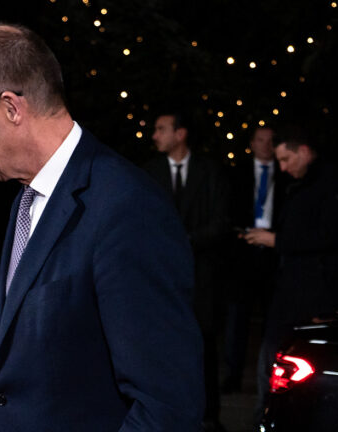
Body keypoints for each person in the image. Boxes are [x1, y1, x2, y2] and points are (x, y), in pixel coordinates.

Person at [0, 24, 204, 431]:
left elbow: (167, 408)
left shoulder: (129, 210)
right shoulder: (27, 198)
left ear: (11, 108)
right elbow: (37, 356)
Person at [242, 124, 338, 422]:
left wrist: (276, 240)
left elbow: (329, 237)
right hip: (291, 288)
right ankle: (269, 416)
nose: (283, 168)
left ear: (303, 151)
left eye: (286, 159)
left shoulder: (329, 184)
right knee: (272, 357)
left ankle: (278, 417)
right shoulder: (303, 183)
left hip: (313, 293)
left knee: (295, 362)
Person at [142, 112, 230, 431]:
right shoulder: (149, 172)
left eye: (161, 129)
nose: (155, 135)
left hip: (202, 277)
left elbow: (221, 221)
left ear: (180, 134)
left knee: (203, 347)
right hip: (160, 276)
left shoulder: (210, 172)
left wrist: (185, 241)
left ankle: (208, 416)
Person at [221, 126, 288, 394]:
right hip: (243, 252)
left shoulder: (284, 173)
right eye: (261, 140)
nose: (266, 145)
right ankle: (233, 375)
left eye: (271, 141)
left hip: (274, 252)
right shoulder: (237, 173)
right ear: (252, 143)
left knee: (273, 318)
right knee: (237, 317)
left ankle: (271, 377)